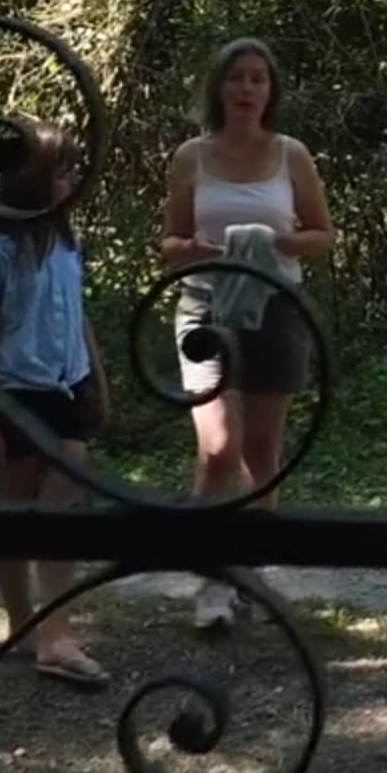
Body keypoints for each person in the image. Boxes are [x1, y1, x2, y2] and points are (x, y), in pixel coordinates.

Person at [160, 37, 336, 631]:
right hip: (206, 308)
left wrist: (271, 241)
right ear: (219, 88)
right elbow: (168, 244)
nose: (246, 90)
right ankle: (212, 583)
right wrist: (204, 250)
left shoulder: (292, 156)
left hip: (277, 309)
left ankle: (250, 572)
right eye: (236, 78)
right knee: (217, 451)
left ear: (271, 91)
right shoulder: (191, 156)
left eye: (258, 79)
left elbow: (321, 235)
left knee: (261, 455)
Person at [0, 120, 110, 688]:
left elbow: (78, 314)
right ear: (32, 181)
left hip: (65, 387)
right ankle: (24, 626)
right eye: (62, 170)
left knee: (67, 485)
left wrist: (97, 376)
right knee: (17, 511)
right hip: (16, 393)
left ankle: (55, 635)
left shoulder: (68, 243)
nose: (72, 179)